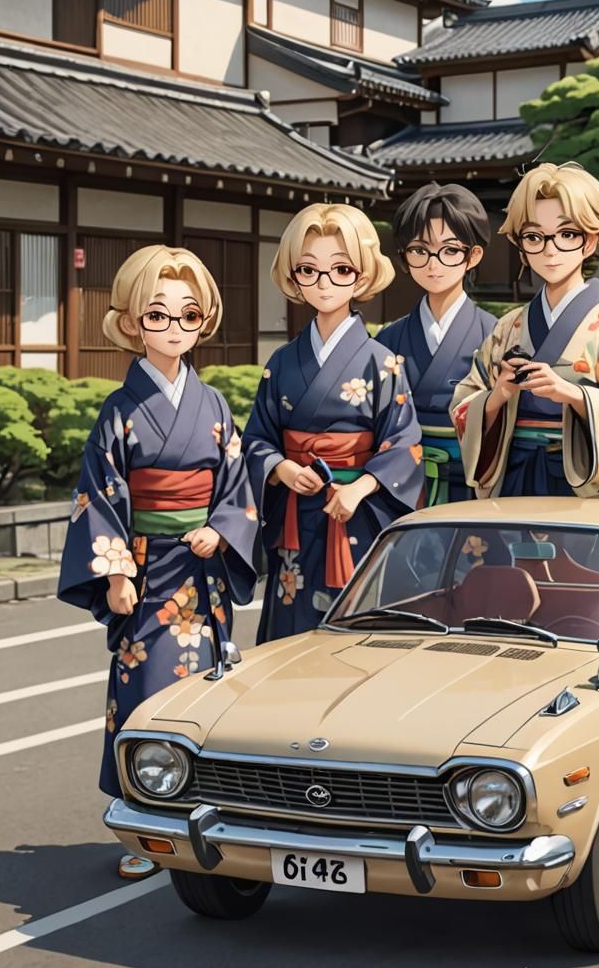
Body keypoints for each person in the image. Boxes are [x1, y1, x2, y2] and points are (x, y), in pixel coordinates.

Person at [58, 245, 257, 880]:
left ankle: (205, 806)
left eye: (187, 315)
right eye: (158, 315)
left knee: (207, 693)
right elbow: (101, 492)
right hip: (147, 571)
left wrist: (221, 530)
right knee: (143, 692)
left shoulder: (215, 405)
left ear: (204, 321)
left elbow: (235, 483)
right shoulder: (118, 412)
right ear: (132, 322)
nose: (174, 328)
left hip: (199, 577)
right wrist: (115, 572)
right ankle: (143, 825)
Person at [244, 203, 422, 642]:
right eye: (309, 269)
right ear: (294, 276)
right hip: (295, 514)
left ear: (361, 275)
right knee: (292, 624)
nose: (323, 283)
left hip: (356, 514)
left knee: (354, 628)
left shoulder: (382, 362)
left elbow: (404, 442)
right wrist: (281, 468)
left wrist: (360, 488)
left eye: (340, 269)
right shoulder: (283, 361)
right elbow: (256, 439)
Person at [450, 162, 599, 498]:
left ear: (590, 241)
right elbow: (463, 402)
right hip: (513, 474)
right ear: (522, 245)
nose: (550, 248)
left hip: (583, 478)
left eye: (567, 234)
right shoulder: (509, 327)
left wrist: (572, 394)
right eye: (534, 236)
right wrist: (499, 395)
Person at [377, 182, 497, 505]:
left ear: (473, 256)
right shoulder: (388, 339)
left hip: (473, 483)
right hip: (401, 484)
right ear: (405, 257)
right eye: (419, 250)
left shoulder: (496, 335)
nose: (433, 263)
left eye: (449, 250)